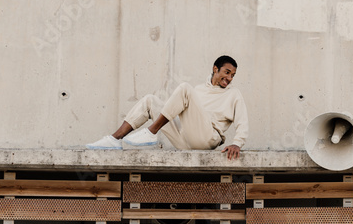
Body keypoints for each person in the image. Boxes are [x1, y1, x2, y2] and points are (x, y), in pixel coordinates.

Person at [87, 55, 248, 159]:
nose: (229, 78)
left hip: (208, 138)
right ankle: (114, 139)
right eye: (227, 72)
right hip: (185, 140)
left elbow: (242, 121)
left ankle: (151, 132)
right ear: (215, 69)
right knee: (150, 100)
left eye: (232, 75)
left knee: (185, 88)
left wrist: (237, 143)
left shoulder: (233, 94)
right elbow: (186, 117)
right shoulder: (198, 90)